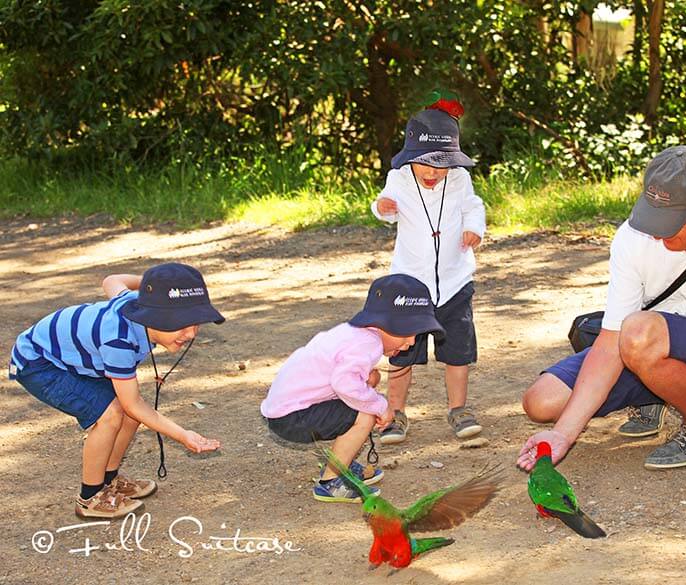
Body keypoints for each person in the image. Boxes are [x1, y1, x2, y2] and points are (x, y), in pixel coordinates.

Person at [517, 146, 686, 501]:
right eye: (653, 219)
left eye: (671, 224)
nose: (658, 235)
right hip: (647, 349)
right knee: (542, 402)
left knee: (639, 332)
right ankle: (658, 392)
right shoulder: (634, 236)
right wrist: (563, 435)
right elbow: (610, 342)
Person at [10, 262, 225, 519]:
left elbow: (112, 280)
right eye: (181, 324)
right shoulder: (118, 340)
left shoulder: (137, 301)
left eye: (196, 324)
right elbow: (133, 403)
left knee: (131, 415)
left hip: (77, 361)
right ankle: (90, 498)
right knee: (111, 414)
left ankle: (109, 482)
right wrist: (183, 435)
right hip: (38, 362)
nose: (190, 333)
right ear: (153, 315)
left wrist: (150, 288)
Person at [261, 274, 445, 503]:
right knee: (365, 415)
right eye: (407, 334)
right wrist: (381, 406)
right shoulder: (369, 343)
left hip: (287, 409)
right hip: (291, 416)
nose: (410, 343)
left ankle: (342, 464)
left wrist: (370, 381)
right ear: (385, 324)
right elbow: (344, 384)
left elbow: (342, 377)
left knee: (368, 386)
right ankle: (330, 483)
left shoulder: (354, 333)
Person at [371, 105, 486, 445]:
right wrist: (383, 208)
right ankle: (395, 412)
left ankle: (459, 409)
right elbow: (384, 203)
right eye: (425, 163)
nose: (433, 172)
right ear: (409, 157)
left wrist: (473, 228)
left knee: (458, 351)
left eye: (441, 164)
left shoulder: (461, 179)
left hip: (455, 282)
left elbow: (473, 206)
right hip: (408, 285)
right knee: (401, 353)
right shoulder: (399, 178)